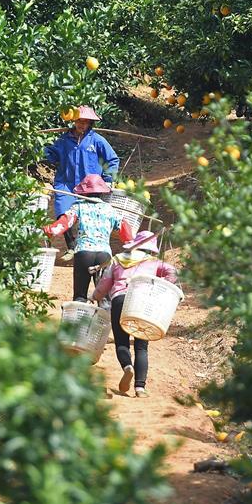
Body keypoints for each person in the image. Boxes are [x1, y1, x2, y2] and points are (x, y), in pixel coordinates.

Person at [91, 230, 178, 398]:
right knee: (141, 346)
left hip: (119, 300)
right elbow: (173, 272)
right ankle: (140, 388)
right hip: (142, 302)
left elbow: (104, 284)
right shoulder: (154, 262)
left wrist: (94, 297)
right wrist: (162, 285)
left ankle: (127, 366)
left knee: (121, 341)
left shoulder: (117, 259)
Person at [43, 106, 120, 261]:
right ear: (74, 121)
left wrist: (107, 180)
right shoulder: (64, 140)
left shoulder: (97, 140)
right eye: (79, 121)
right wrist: (38, 147)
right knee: (63, 211)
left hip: (90, 186)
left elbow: (112, 160)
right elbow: (50, 154)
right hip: (66, 183)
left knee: (89, 214)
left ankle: (91, 246)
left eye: (85, 122)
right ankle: (71, 246)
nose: (81, 124)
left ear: (90, 123)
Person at [43, 174, 133, 302]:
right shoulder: (110, 209)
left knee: (80, 296)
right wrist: (132, 245)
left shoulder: (78, 206)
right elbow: (124, 228)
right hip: (104, 256)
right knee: (104, 298)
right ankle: (105, 314)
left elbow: (64, 223)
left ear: (84, 192)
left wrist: (49, 230)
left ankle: (79, 312)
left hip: (83, 253)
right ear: (102, 193)